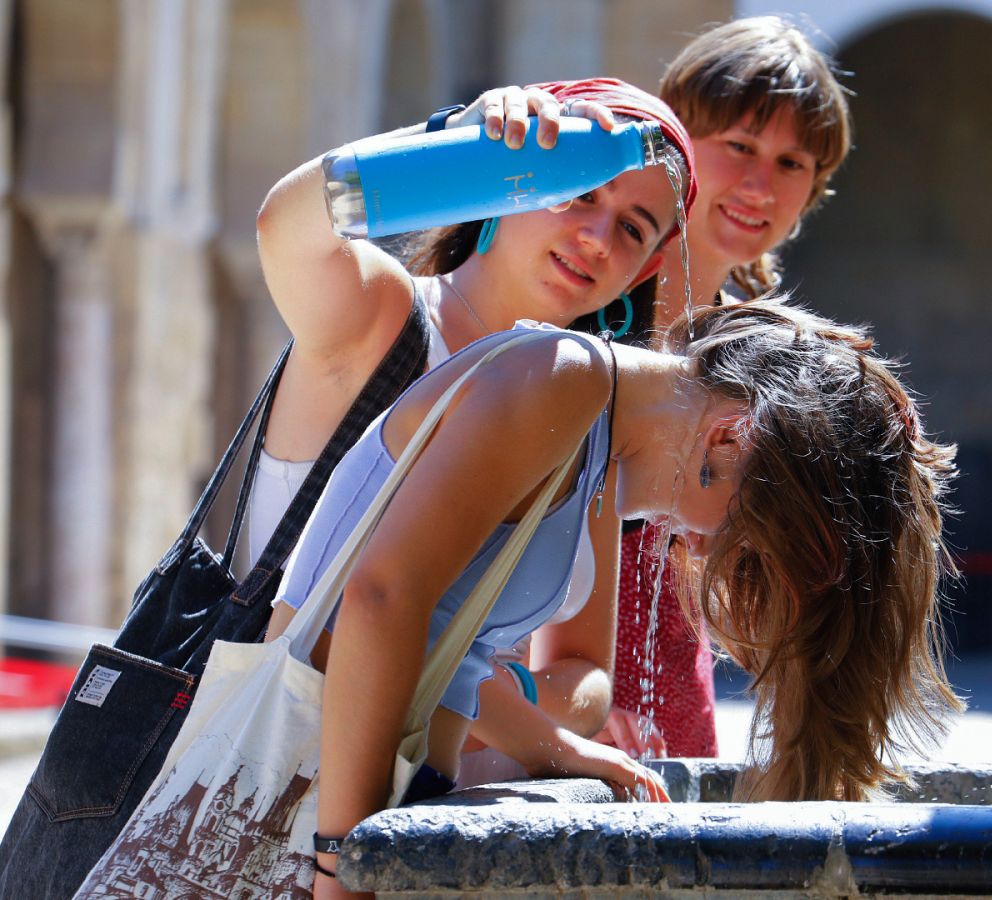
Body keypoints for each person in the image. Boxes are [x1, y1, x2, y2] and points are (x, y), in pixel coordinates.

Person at [262, 300, 962, 895]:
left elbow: (443, 650)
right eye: (751, 538)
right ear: (731, 436)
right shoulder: (559, 379)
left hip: (368, 803)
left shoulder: (592, 436)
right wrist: (344, 859)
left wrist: (552, 746)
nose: (716, 552)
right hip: (306, 808)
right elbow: (382, 598)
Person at [253, 78, 696, 760]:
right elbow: (284, 226)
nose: (597, 236)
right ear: (514, 178)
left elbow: (589, 676)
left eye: (633, 228)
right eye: (579, 189)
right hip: (268, 784)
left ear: (648, 269)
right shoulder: (385, 319)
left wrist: (480, 686)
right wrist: (455, 144)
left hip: (447, 828)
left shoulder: (593, 413)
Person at [567, 15, 855, 760]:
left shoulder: (758, 354)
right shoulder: (582, 292)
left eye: (794, 163)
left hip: (674, 683)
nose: (762, 184)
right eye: (740, 147)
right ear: (680, 141)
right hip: (543, 684)